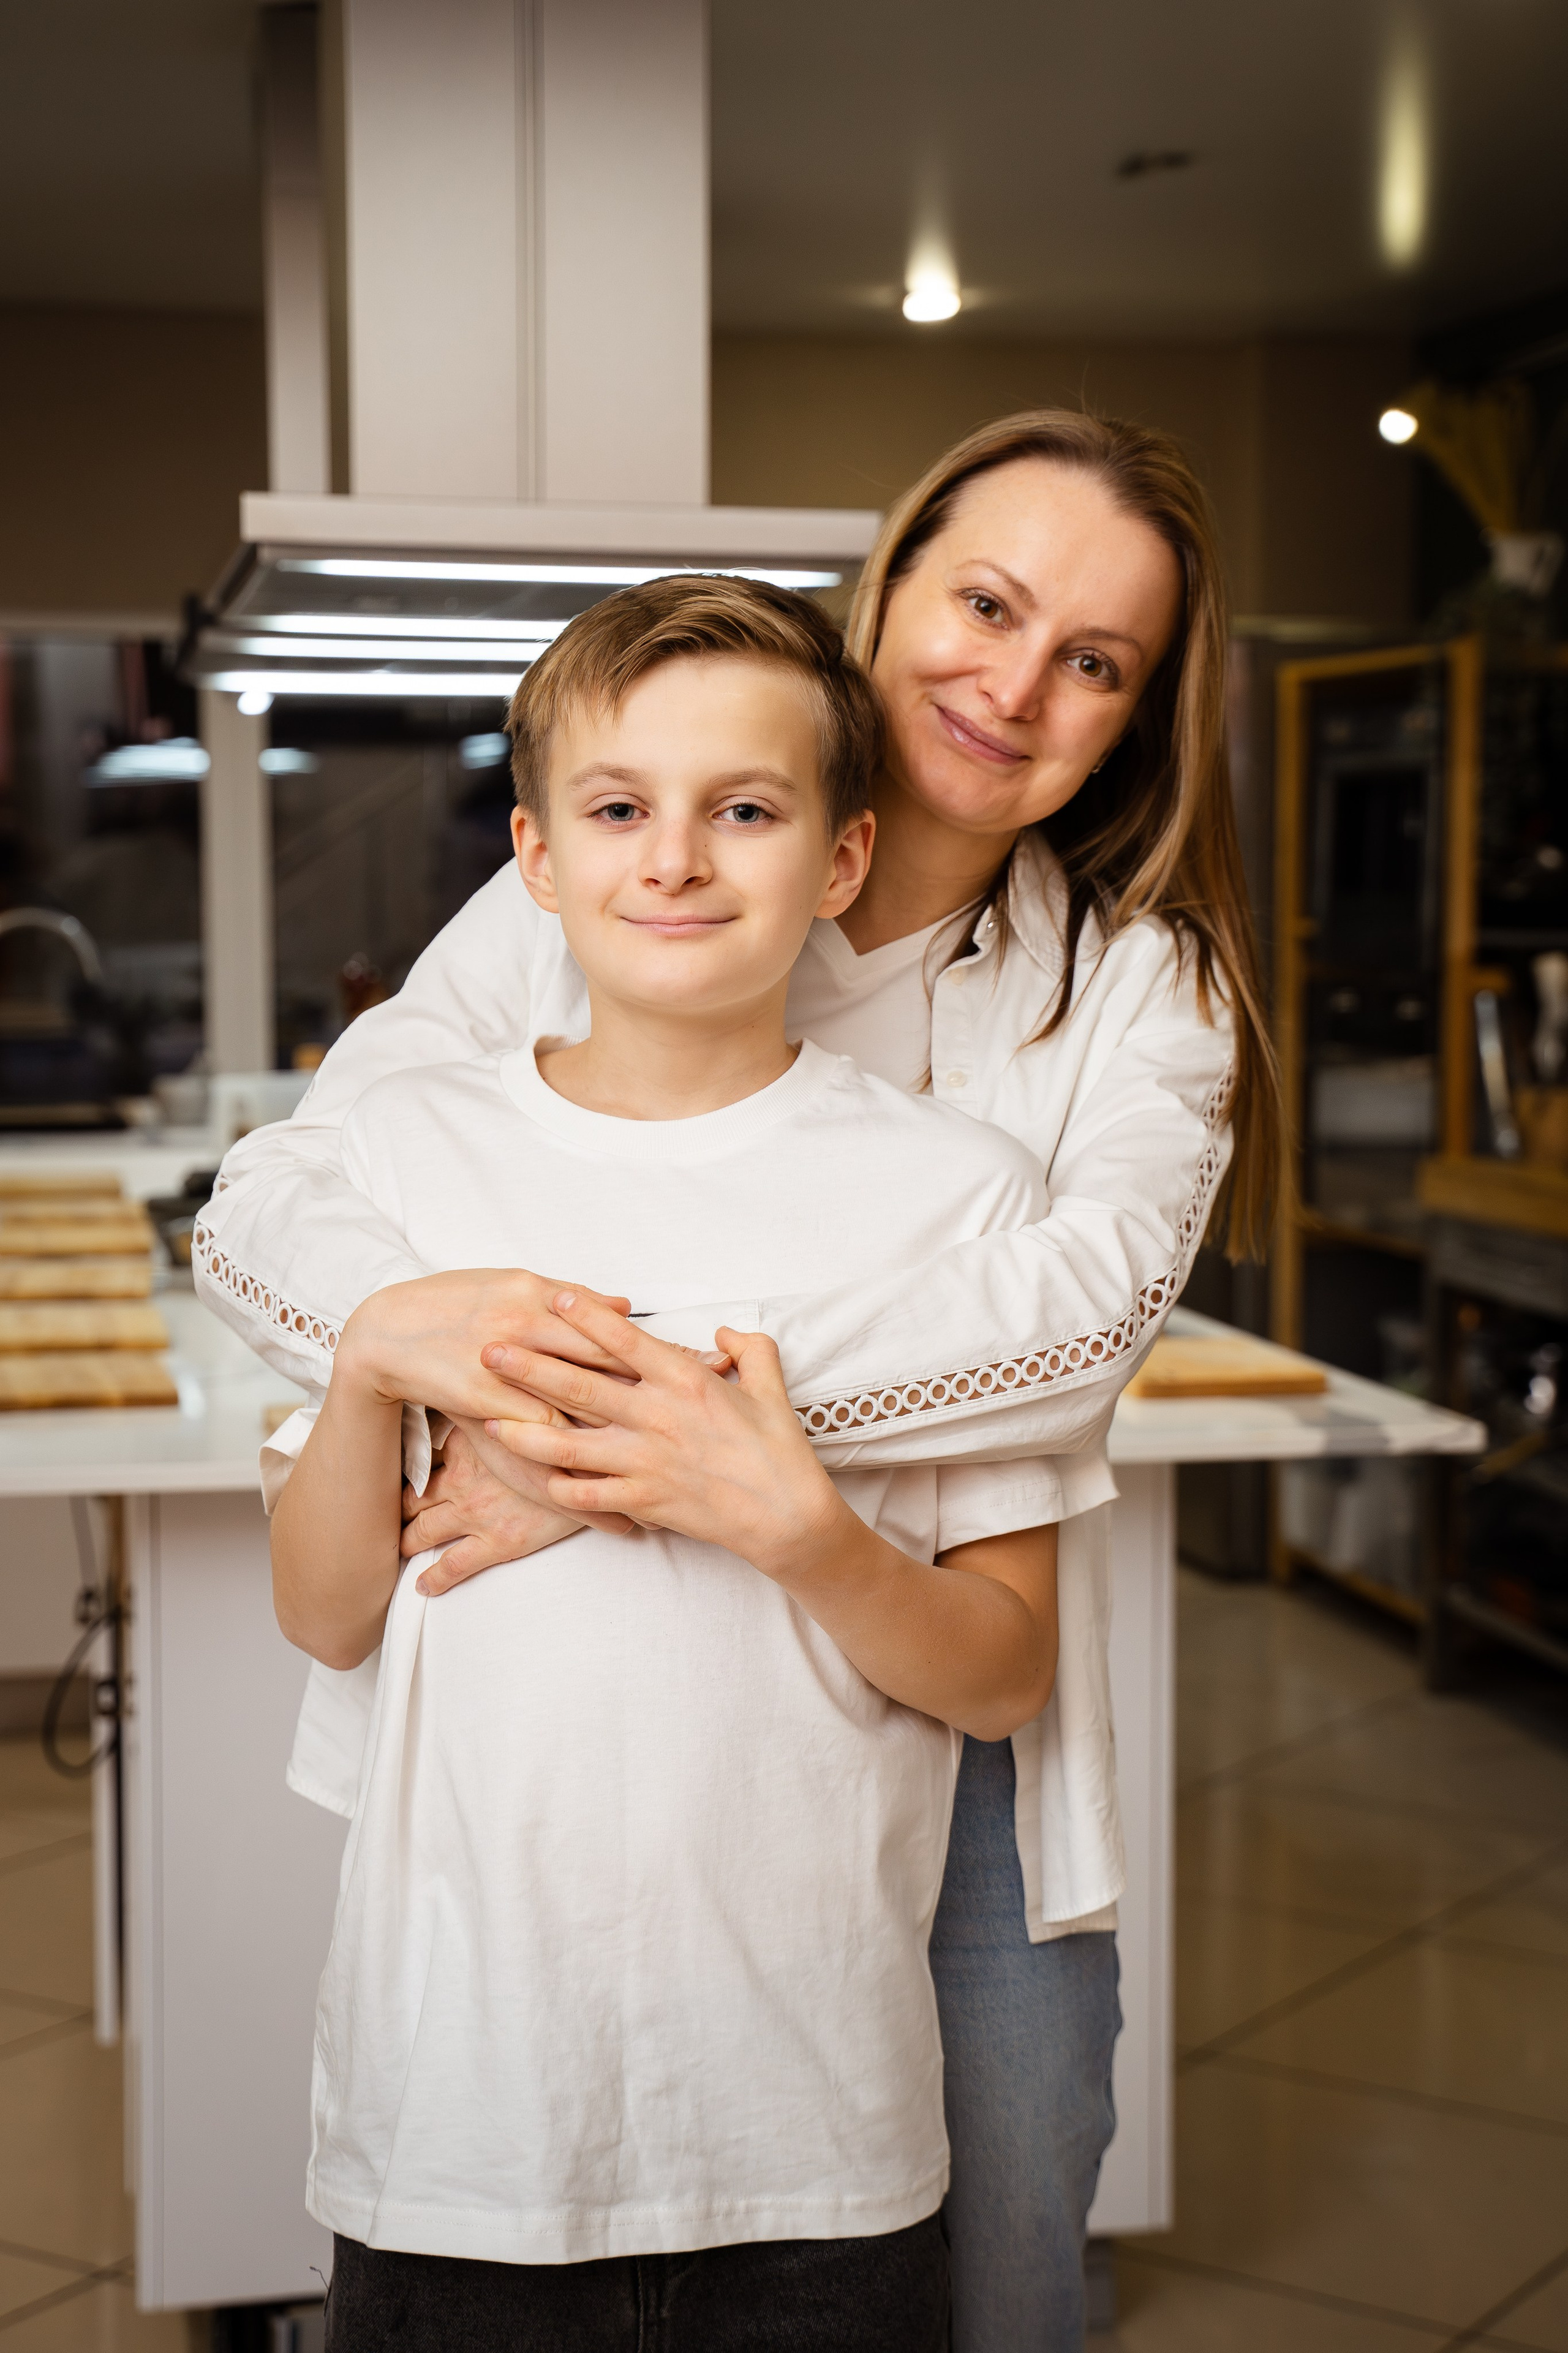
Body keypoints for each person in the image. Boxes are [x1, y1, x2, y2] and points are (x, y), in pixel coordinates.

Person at [202, 409, 1279, 2351]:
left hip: (943, 1736)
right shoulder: (638, 859)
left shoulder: (1134, 986)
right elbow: (298, 1190)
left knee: (992, 2264)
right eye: (987, 600)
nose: (1015, 681)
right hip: (557, 1793)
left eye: (1095, 661)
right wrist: (469, 1375)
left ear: (1137, 715)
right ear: (893, 586)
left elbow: (1088, 1306)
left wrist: (631, 1445)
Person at [273, 576, 1065, 2351]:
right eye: (619, 807)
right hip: (458, 2113)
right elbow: (328, 1611)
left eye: (748, 809)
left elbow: (1006, 1672)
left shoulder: (955, 1199)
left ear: (844, 858)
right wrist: (365, 1363)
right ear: (536, 859)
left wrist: (803, 1533)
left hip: (814, 2128)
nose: (678, 859)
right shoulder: (403, 1151)